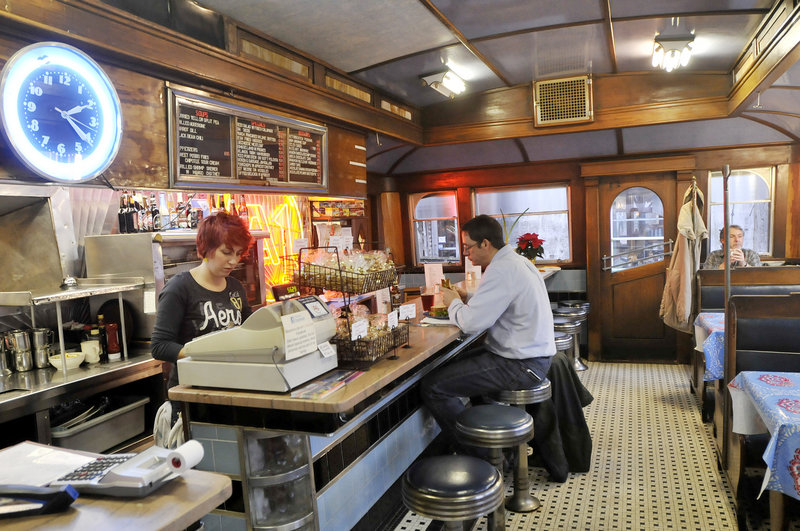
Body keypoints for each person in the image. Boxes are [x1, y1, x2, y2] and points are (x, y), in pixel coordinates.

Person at [420, 215, 556, 456]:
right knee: (454, 365)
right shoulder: (514, 261)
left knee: (433, 386)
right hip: (530, 356)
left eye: (467, 247)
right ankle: (499, 446)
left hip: (522, 364)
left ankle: (478, 456)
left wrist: (452, 303)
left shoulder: (502, 269)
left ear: (485, 243)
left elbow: (471, 324)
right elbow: (499, 304)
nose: (466, 254)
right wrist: (469, 299)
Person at [151, 211, 255, 393]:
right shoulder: (179, 288)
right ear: (206, 248)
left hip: (232, 384)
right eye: (227, 252)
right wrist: (206, 353)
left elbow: (250, 330)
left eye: (239, 253)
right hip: (192, 390)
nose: (234, 261)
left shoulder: (235, 287)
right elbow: (160, 346)